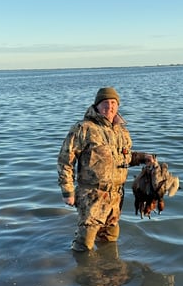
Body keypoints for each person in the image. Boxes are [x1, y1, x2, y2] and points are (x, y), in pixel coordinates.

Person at [57, 87, 155, 252]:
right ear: (97, 105)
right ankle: (81, 273)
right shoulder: (83, 128)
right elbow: (65, 161)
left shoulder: (121, 131)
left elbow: (124, 158)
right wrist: (68, 192)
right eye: (105, 103)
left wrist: (143, 158)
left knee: (109, 241)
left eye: (113, 103)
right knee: (84, 244)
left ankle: (109, 271)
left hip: (115, 198)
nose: (110, 107)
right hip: (91, 196)